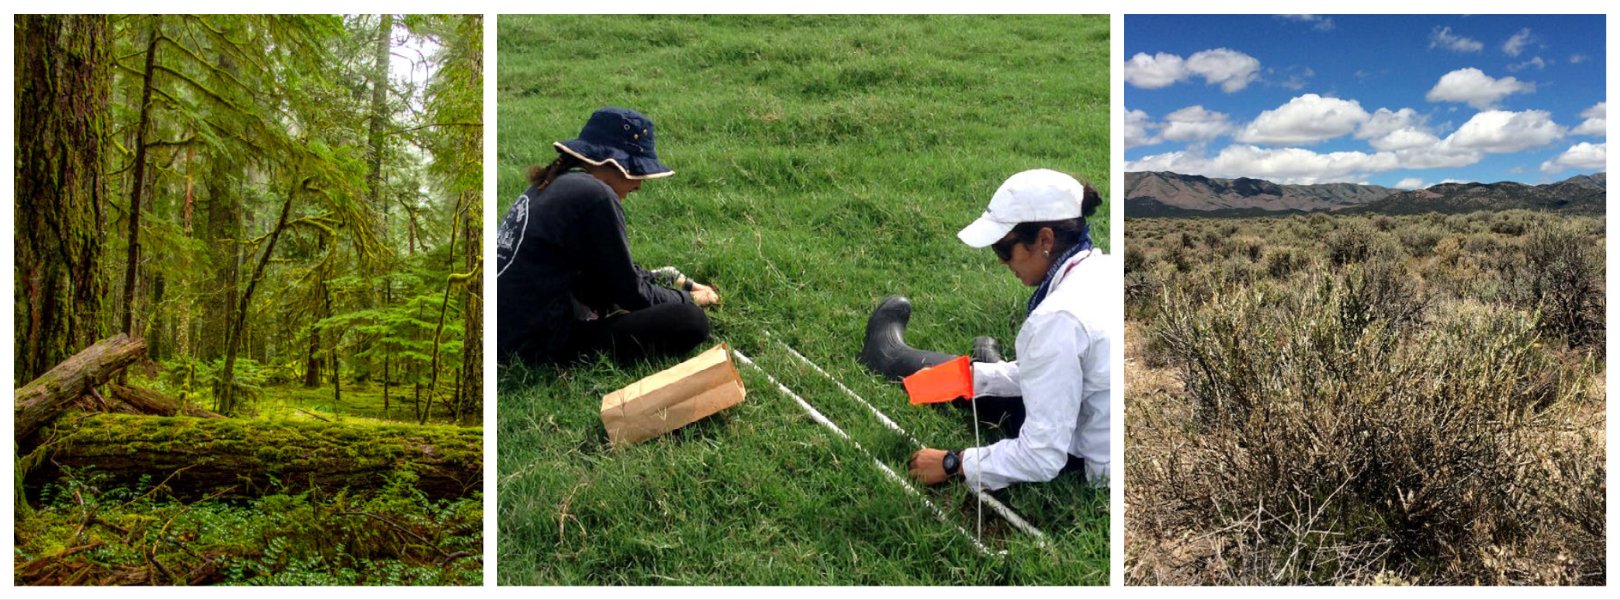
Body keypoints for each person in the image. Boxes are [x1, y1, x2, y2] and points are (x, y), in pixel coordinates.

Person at [861, 169, 1113, 491]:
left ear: (1045, 240)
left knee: (1004, 400)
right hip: (1088, 416)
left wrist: (953, 462)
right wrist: (978, 375)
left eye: (1003, 249)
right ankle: (909, 366)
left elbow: (1041, 456)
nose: (1001, 262)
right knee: (986, 380)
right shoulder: (1101, 269)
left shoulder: (1058, 320)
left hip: (1088, 463)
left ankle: (888, 357)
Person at [496, 107, 719, 365]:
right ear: (613, 163)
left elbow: (607, 271)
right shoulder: (597, 195)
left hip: (507, 330)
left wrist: (650, 281)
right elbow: (632, 294)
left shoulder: (556, 184)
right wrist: (688, 298)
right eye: (636, 173)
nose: (638, 185)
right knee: (690, 320)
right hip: (535, 344)